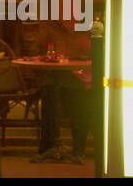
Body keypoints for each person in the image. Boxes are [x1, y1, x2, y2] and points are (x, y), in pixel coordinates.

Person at [33, 19, 92, 162]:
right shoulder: (50, 27)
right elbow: (37, 48)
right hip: (55, 76)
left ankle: (77, 150)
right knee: (50, 97)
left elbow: (93, 51)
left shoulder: (84, 29)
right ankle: (51, 147)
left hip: (78, 77)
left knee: (78, 100)